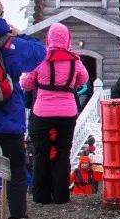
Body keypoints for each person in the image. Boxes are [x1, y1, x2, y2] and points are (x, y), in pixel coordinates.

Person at [0, 0, 46, 219]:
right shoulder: (10, 43)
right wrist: (20, 34)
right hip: (9, 117)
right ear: (1, 15)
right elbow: (40, 52)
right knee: (15, 169)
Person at [20, 22, 89, 205]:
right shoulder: (75, 61)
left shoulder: (40, 59)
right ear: (67, 39)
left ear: (49, 38)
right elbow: (83, 79)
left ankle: (41, 196)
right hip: (67, 113)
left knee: (41, 153)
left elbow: (26, 83)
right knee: (62, 153)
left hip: (42, 112)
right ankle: (61, 196)